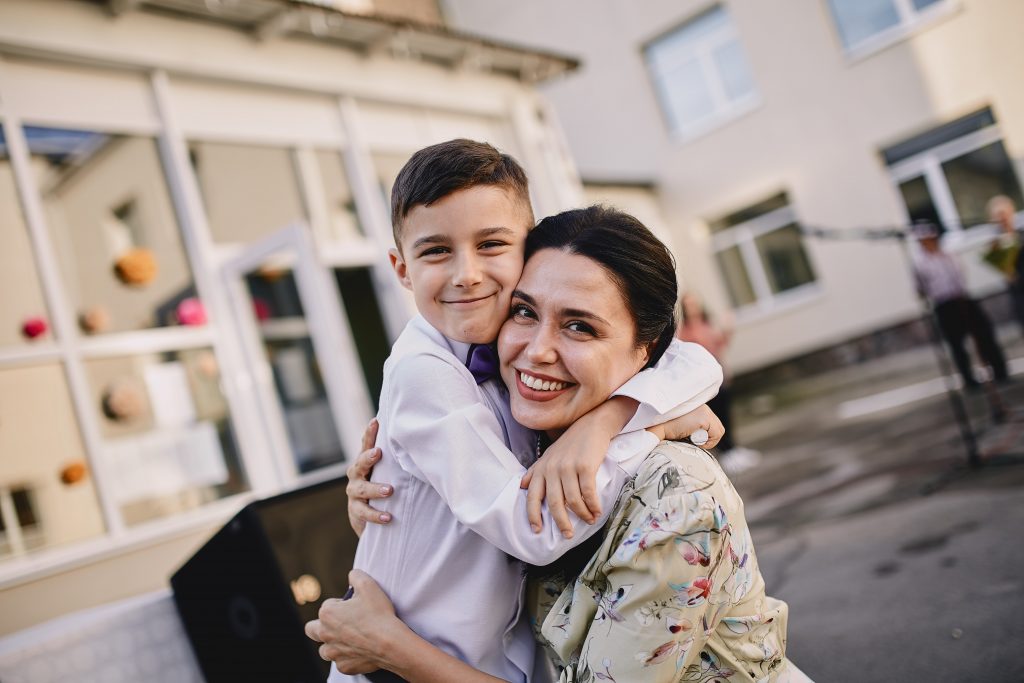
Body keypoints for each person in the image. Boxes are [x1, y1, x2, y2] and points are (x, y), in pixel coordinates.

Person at [311, 206, 812, 682]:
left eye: (580, 326)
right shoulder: (517, 436)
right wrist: (399, 501)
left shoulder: (677, 503)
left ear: (646, 352)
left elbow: (694, 362)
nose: (538, 350)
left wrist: (389, 648)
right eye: (524, 312)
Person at [911, 220, 1009, 389]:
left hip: (961, 298)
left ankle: (999, 371)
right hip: (944, 304)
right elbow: (920, 287)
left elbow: (961, 273)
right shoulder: (920, 262)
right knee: (957, 344)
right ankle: (969, 381)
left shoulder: (948, 254)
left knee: (984, 332)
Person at [676, 292, 761, 475]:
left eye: (695, 303)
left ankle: (733, 448)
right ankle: (725, 451)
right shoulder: (684, 332)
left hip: (719, 377)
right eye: (689, 305)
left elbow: (719, 346)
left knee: (727, 413)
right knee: (716, 416)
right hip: (703, 383)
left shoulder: (706, 325)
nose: (693, 308)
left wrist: (728, 328)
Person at [984, 194, 1024, 330]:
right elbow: (1007, 272)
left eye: (1004, 213)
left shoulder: (1021, 233)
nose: (1002, 218)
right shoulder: (997, 243)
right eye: (998, 215)